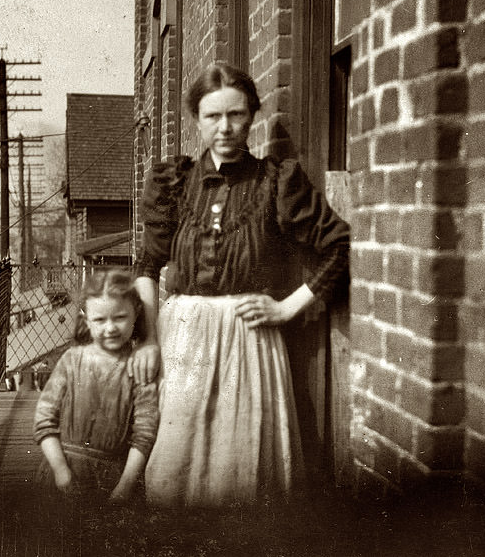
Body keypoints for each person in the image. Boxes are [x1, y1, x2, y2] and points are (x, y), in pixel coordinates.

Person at [131, 61, 350, 507]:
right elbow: (148, 266)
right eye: (213, 116)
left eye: (236, 115)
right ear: (197, 120)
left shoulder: (276, 182)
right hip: (183, 343)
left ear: (252, 116)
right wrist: (150, 340)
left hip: (248, 344)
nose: (226, 128)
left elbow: (338, 246)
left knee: (244, 474)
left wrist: (288, 307)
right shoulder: (173, 183)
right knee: (173, 472)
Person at [32, 269, 159, 502]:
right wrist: (61, 470)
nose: (110, 328)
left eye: (120, 317)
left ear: (136, 313)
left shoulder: (137, 367)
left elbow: (145, 432)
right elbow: (44, 420)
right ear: (86, 318)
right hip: (62, 474)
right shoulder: (72, 360)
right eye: (100, 319)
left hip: (115, 480)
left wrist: (125, 486)